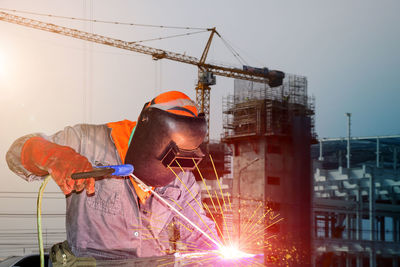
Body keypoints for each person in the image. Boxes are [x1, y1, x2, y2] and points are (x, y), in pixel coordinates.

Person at [6, 91, 219, 264]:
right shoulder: (87, 142)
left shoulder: (182, 171)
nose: (174, 170)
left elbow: (200, 234)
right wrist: (53, 156)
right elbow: (15, 154)